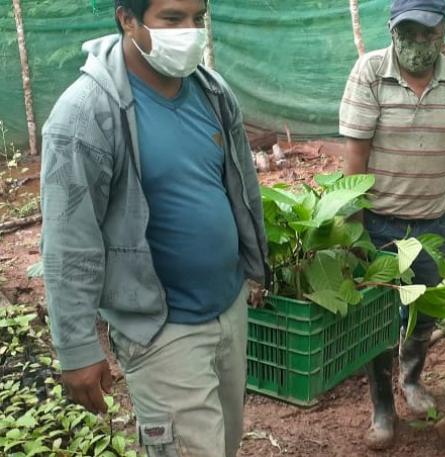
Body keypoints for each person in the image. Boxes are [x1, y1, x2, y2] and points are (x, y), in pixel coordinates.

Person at [40, 0, 268, 455]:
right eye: (172, 18)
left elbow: (241, 187)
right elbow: (69, 239)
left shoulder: (212, 92)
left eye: (198, 18)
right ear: (127, 19)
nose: (190, 31)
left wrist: (251, 266)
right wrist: (76, 347)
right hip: (161, 329)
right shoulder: (85, 114)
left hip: (227, 308)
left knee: (225, 442)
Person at [339, 0, 445, 449]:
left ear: (443, 32)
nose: (417, 43)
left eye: (427, 33)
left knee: (423, 311)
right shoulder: (370, 73)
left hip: (433, 224)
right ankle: (383, 407)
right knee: (380, 321)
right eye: (408, 33)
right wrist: (354, 230)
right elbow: (355, 157)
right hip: (380, 224)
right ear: (392, 31)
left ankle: (412, 378)